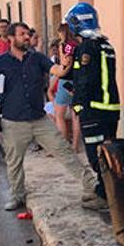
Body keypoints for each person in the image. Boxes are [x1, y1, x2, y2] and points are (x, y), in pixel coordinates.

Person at [0, 22, 104, 211]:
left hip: (39, 120)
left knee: (65, 152)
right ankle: (17, 195)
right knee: (14, 162)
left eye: (28, 34)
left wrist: (66, 63)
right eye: (22, 34)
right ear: (11, 38)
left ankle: (92, 187)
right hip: (13, 121)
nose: (26, 37)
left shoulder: (37, 58)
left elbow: (59, 71)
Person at [64, 3, 121, 203]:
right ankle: (104, 191)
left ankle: (106, 197)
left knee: (97, 156)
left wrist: (78, 104)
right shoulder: (105, 44)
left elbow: (85, 79)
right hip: (110, 109)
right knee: (109, 151)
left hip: (94, 110)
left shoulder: (86, 47)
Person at [50, 23, 80, 151]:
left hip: (65, 81)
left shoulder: (64, 45)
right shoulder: (78, 44)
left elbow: (65, 62)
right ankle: (75, 146)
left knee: (59, 115)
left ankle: (63, 146)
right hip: (77, 81)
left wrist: (61, 70)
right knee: (76, 115)